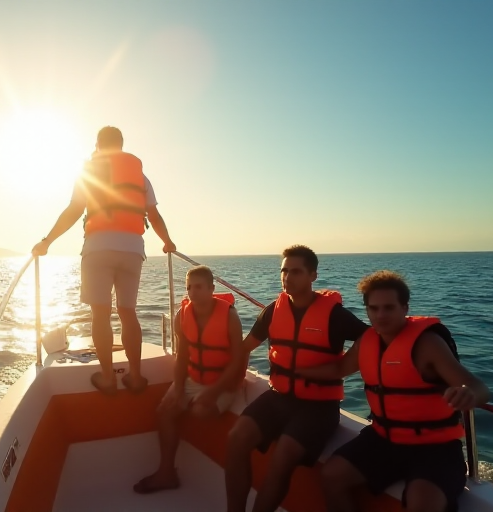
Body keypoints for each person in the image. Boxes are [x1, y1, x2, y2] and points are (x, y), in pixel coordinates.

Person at [300, 270, 490, 512]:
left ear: (404, 308)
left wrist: (469, 394)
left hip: (435, 447)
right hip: (383, 439)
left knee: (422, 502)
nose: (380, 315)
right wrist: (295, 371)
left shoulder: (428, 344)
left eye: (389, 308)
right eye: (374, 308)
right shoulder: (367, 341)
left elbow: (478, 387)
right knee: (331, 475)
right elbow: (339, 368)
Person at [32, 126, 176, 395]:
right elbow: (153, 215)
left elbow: (74, 209)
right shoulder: (140, 175)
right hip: (132, 248)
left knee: (100, 314)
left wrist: (47, 241)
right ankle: (135, 376)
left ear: (97, 144)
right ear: (121, 145)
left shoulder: (89, 171)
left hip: (98, 248)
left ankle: (108, 377)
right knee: (128, 312)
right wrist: (167, 241)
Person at [225, 245, 369, 512]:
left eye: (296, 271)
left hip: (318, 407)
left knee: (282, 457)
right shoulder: (273, 310)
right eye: (284, 271)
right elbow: (245, 348)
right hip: (278, 397)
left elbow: (370, 337)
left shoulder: (335, 316)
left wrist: (341, 368)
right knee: (236, 438)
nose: (287, 277)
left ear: (313, 275)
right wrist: (228, 380)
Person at [133, 265, 245, 494]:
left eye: (199, 287)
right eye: (189, 287)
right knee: (164, 411)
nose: (193, 292)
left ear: (212, 288)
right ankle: (166, 473)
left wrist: (214, 391)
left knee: (200, 410)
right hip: (193, 379)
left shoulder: (230, 316)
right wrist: (178, 388)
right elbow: (182, 356)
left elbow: (237, 360)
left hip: (223, 382)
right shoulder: (182, 315)